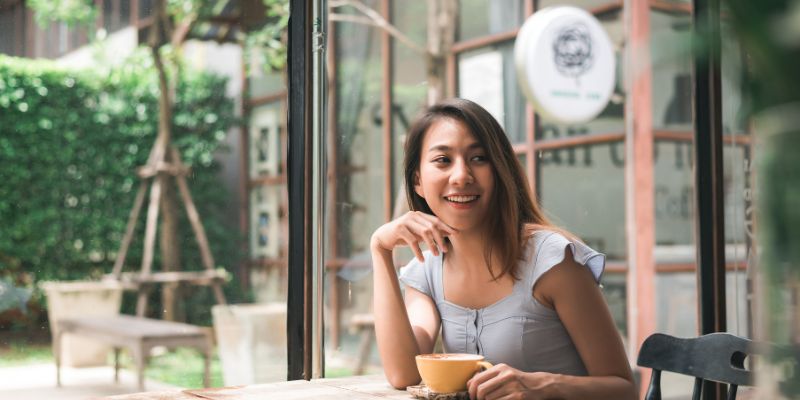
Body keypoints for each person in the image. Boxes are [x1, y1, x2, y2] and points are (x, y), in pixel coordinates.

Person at [370, 98, 636, 400]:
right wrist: (380, 249)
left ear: (499, 171)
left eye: (479, 158)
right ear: (417, 181)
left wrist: (540, 385)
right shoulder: (426, 268)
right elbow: (404, 373)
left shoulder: (551, 260)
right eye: (443, 160)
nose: (461, 176)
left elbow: (624, 389)